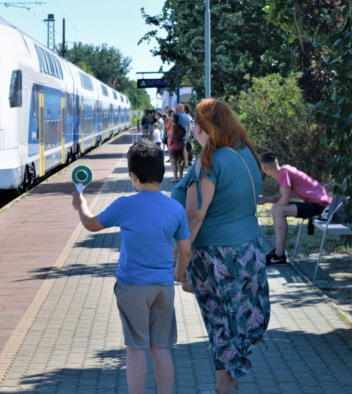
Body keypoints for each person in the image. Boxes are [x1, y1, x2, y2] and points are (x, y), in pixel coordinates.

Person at [72, 139, 191, 394]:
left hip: (133, 286)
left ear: (133, 176)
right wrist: (179, 275)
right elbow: (185, 249)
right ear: (161, 174)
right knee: (161, 347)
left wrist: (80, 205)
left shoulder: (126, 204)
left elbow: (92, 224)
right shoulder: (175, 207)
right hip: (164, 286)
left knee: (136, 347)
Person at [171, 98, 270, 394]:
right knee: (233, 321)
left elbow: (195, 216)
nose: (193, 130)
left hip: (217, 256)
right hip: (249, 250)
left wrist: (181, 266)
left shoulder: (209, 161)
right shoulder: (245, 154)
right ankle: (228, 384)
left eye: (196, 126)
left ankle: (224, 387)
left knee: (220, 323)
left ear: (202, 127)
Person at [258, 152, 332, 265]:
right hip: (318, 205)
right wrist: (267, 199)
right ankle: (279, 252)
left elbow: (285, 200)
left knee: (279, 210)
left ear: (265, 168)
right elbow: (282, 197)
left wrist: (275, 206)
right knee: (277, 209)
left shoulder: (283, 173)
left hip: (321, 207)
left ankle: (279, 255)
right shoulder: (284, 170)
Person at [168, 113, 186, 182]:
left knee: (173, 163)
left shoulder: (173, 126)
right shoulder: (180, 126)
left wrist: (170, 143)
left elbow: (172, 135)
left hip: (174, 146)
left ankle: (175, 178)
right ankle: (180, 177)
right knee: (180, 162)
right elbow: (184, 132)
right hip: (180, 145)